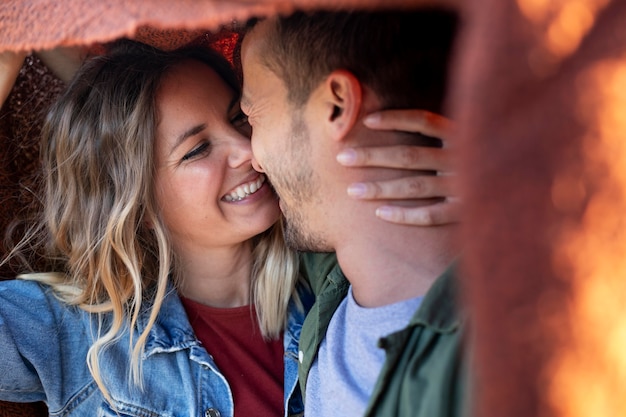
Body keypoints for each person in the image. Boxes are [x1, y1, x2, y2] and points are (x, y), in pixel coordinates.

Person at [0, 37, 455, 416]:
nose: (246, 149)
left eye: (242, 119)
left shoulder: (333, 280)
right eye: (198, 149)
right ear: (133, 201)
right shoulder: (75, 330)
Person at [240, 8, 465, 417]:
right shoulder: (334, 275)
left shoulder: (501, 353)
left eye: (252, 116)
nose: (252, 159)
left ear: (338, 105)